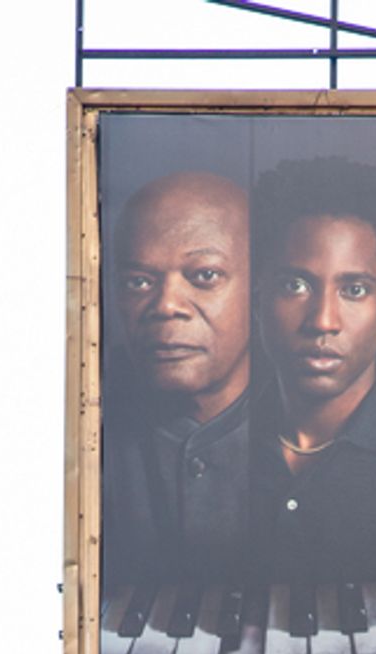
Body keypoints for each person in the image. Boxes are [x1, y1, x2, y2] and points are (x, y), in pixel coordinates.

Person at [251, 158, 376, 580]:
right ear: (258, 298)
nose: (322, 321)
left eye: (354, 289)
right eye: (295, 285)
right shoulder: (224, 437)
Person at [103, 170, 252, 581]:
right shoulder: (85, 417)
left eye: (204, 276)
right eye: (138, 282)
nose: (166, 305)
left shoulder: (315, 424)